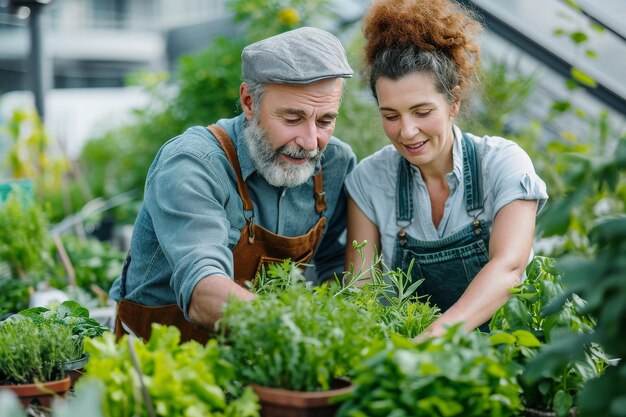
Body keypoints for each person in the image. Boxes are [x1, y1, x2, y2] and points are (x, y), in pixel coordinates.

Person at [110, 26, 356, 343]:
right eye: (292, 119)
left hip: (258, 361)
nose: (310, 142)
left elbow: (336, 268)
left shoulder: (334, 164)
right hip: (159, 367)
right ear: (249, 102)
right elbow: (202, 289)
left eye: (325, 121)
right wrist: (298, 333)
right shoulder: (192, 164)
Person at [344, 0, 548, 336]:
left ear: (453, 102)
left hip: (508, 352)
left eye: (422, 112)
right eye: (390, 116)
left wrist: (432, 340)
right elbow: (360, 290)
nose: (406, 131)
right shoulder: (369, 181)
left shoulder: (501, 163)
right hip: (413, 366)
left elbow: (509, 268)